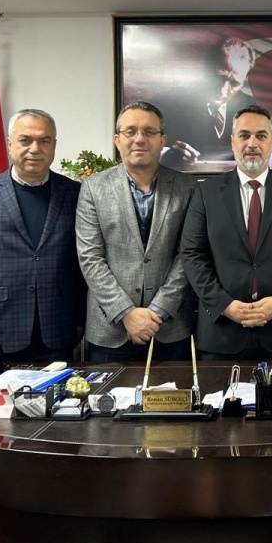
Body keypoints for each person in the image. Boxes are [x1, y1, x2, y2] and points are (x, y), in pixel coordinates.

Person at [179, 105, 272, 360]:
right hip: (221, 335)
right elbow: (192, 255)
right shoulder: (206, 192)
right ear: (233, 141)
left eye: (261, 136)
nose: (252, 143)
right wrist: (224, 305)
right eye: (244, 135)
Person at [0, 108, 85, 362]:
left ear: (54, 145)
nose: (35, 149)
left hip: (58, 332)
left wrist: (81, 320)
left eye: (44, 141)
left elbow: (84, 264)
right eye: (25, 140)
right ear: (10, 144)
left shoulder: (75, 193)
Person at [76, 101, 196, 362]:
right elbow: (90, 258)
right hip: (110, 330)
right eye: (130, 131)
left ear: (162, 140)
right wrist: (126, 312)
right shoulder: (93, 188)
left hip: (169, 328)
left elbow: (188, 255)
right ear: (117, 140)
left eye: (149, 131)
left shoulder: (187, 187)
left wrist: (159, 309)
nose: (139, 139)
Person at [161, 36, 272, 166]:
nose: (223, 90)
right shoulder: (170, 103)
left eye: (234, 83)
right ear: (207, 68)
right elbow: (151, 145)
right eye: (219, 76)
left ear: (244, 80)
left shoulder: (251, 107)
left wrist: (266, 152)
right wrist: (166, 154)